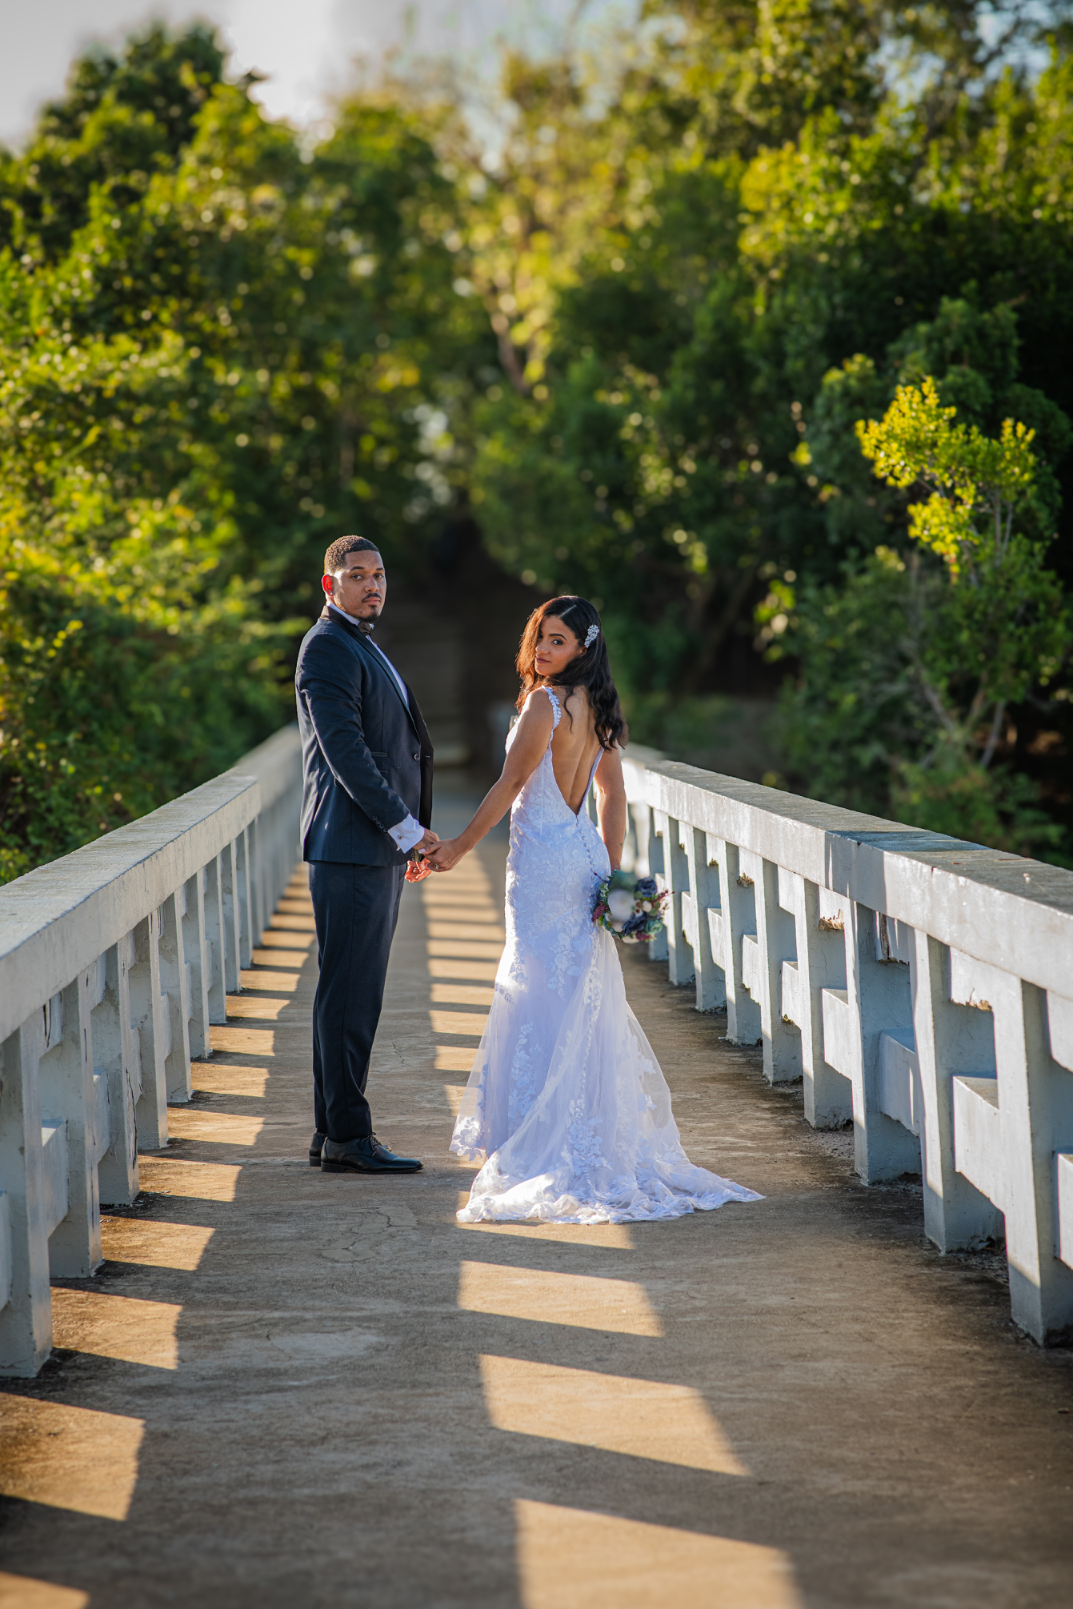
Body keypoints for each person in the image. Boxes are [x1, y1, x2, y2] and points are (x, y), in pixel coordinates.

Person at [423, 595, 762, 1223]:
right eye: (542, 638)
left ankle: (538, 1136)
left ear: (583, 648)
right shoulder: (599, 708)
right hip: (580, 858)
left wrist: (459, 846)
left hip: (543, 867)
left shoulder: (544, 705)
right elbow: (613, 796)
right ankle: (585, 1132)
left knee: (538, 985)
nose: (545, 650)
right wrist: (609, 874)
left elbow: (510, 785)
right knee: (576, 986)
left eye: (558, 641)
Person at [295, 536, 438, 1175]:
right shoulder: (326, 646)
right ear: (330, 586)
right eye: (356, 576)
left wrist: (405, 831)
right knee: (351, 997)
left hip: (367, 847)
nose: (371, 585)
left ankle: (334, 1132)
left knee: (350, 994)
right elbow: (347, 755)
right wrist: (408, 830)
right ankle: (350, 1137)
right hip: (352, 846)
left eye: (379, 574)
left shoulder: (360, 642)